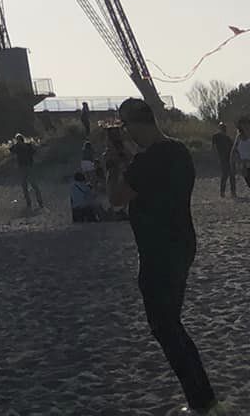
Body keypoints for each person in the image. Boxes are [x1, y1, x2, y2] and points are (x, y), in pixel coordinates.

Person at [105, 99, 217, 413]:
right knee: (172, 325)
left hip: (158, 251)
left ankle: (201, 401)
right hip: (182, 244)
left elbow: (115, 198)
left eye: (125, 127)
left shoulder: (148, 159)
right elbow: (154, 185)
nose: (126, 134)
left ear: (135, 124)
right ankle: (204, 397)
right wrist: (131, 161)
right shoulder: (178, 151)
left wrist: (113, 165)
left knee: (165, 328)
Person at [11, 134, 43, 211]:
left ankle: (36, 202)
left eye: (18, 140)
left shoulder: (24, 146)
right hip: (26, 167)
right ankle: (33, 202)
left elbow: (11, 150)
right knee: (28, 186)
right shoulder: (23, 146)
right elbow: (11, 150)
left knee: (31, 185)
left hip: (26, 167)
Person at [208, 123, 234, 199]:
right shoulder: (222, 137)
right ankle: (228, 192)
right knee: (228, 175)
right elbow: (213, 148)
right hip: (225, 158)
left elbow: (213, 148)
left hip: (226, 158)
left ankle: (226, 192)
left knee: (228, 175)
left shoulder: (219, 137)